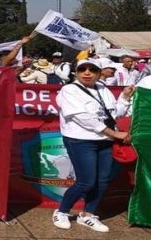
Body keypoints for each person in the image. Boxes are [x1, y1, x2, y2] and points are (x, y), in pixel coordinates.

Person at [52, 59, 133, 233]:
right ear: (76, 72)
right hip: (81, 141)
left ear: (99, 72)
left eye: (92, 69)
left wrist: (125, 97)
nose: (87, 72)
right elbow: (83, 119)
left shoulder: (103, 88)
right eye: (82, 69)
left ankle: (88, 214)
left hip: (104, 141)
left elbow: (113, 113)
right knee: (86, 182)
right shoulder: (69, 90)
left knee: (102, 180)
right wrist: (115, 134)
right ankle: (62, 211)